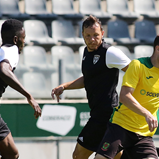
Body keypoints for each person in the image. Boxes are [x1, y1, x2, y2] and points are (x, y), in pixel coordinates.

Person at [51, 15, 131, 159]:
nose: (92, 39)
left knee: (79, 155)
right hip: (97, 114)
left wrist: (132, 96)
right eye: (88, 35)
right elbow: (88, 79)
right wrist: (64, 86)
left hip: (108, 115)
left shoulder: (110, 52)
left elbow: (134, 71)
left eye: (96, 35)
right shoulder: (86, 52)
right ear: (82, 34)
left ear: (102, 34)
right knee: (117, 156)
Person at [94, 35, 159, 159]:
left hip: (144, 134)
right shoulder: (138, 65)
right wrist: (147, 114)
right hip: (121, 127)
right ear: (158, 48)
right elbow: (124, 96)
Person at [0, 19, 42, 159]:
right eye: (24, 38)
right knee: (12, 154)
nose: (25, 42)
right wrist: (28, 95)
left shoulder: (1, 51)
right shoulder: (12, 50)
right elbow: (4, 69)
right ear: (16, 39)